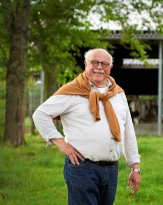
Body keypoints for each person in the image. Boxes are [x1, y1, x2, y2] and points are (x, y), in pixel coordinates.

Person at [32, 48, 141, 205]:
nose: (99, 66)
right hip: (82, 168)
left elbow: (128, 131)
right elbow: (40, 114)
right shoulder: (72, 91)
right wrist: (60, 143)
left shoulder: (118, 93)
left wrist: (135, 167)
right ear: (85, 64)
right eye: (94, 62)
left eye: (104, 63)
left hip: (111, 171)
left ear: (110, 67)